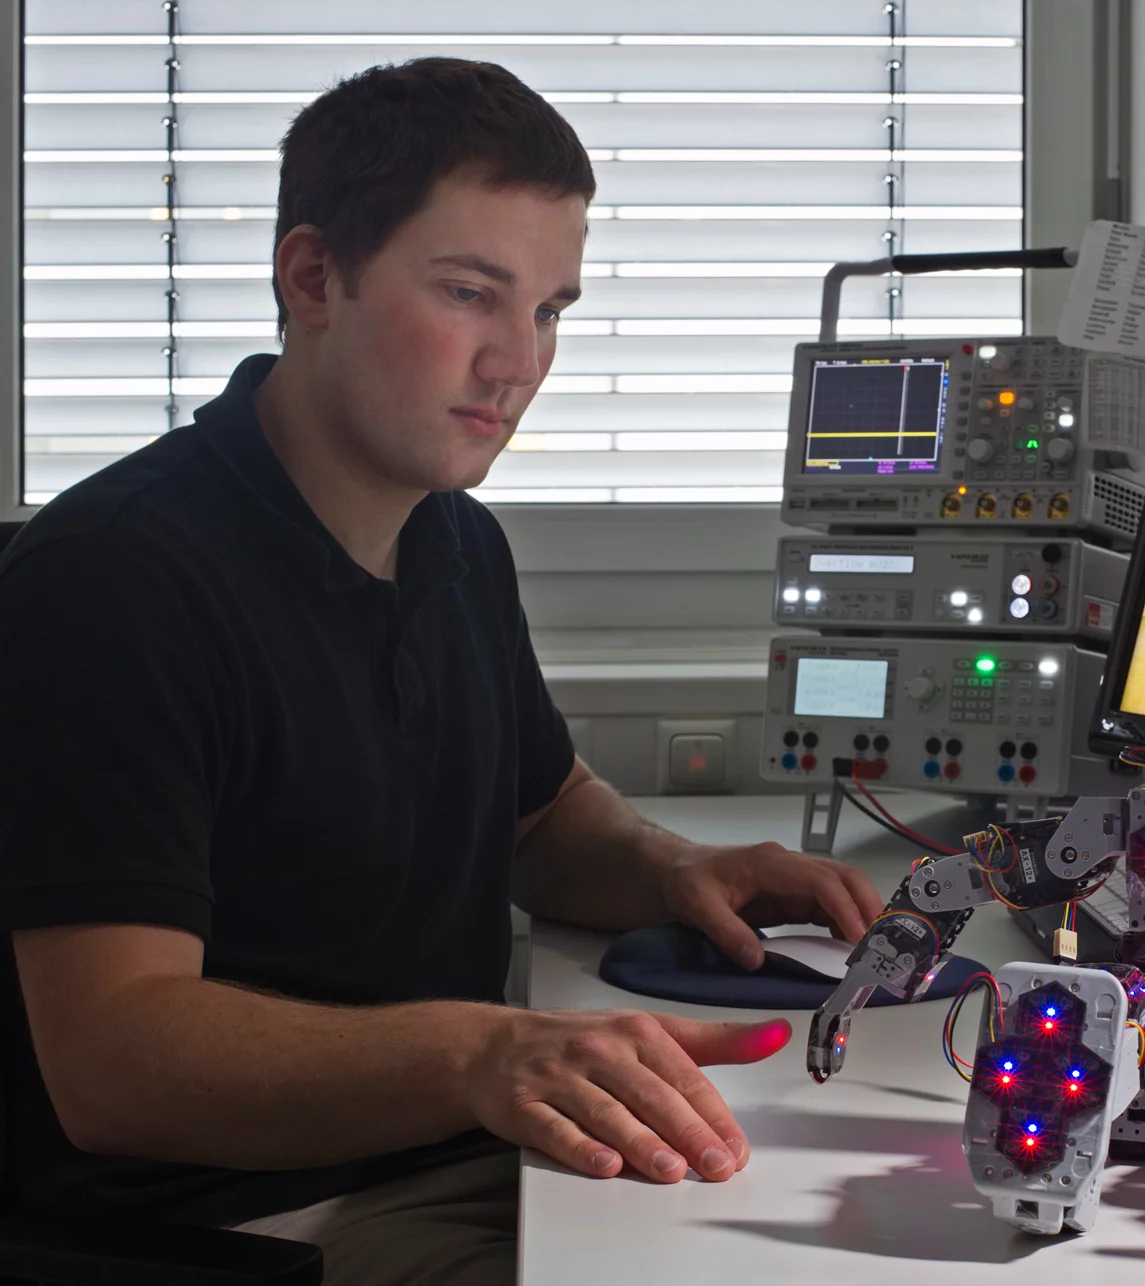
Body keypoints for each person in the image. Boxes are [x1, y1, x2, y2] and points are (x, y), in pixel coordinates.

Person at [0, 57, 883, 1285]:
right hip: (250, 1215)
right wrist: (479, 1052)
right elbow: (113, 1060)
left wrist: (677, 870)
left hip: (453, 1144)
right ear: (314, 277)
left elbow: (537, 816)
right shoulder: (115, 577)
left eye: (551, 310)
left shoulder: (455, 539)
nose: (519, 361)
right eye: (472, 293)